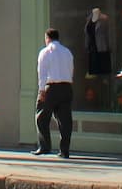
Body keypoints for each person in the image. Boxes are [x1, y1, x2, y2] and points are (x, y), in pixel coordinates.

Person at [34, 27, 75, 160]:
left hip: (51, 87)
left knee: (41, 117)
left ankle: (44, 146)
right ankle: (64, 150)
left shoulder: (45, 52)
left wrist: (41, 91)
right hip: (66, 87)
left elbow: (42, 73)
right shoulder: (67, 52)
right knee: (65, 120)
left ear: (47, 38)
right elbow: (71, 69)